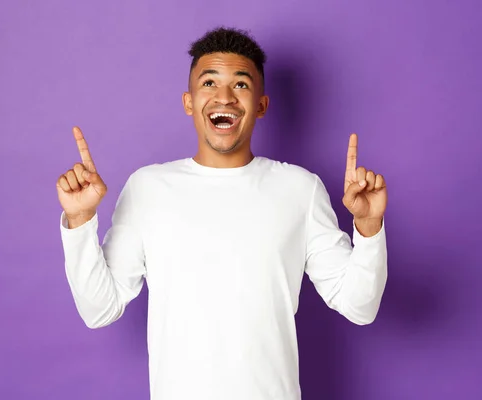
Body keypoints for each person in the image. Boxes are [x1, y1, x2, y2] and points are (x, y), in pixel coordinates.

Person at [56, 27, 388, 400]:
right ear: (189, 101)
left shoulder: (300, 189)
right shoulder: (147, 188)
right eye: (209, 82)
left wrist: (369, 225)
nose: (224, 97)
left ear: (261, 104)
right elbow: (99, 309)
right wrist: (81, 221)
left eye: (241, 85)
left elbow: (359, 306)